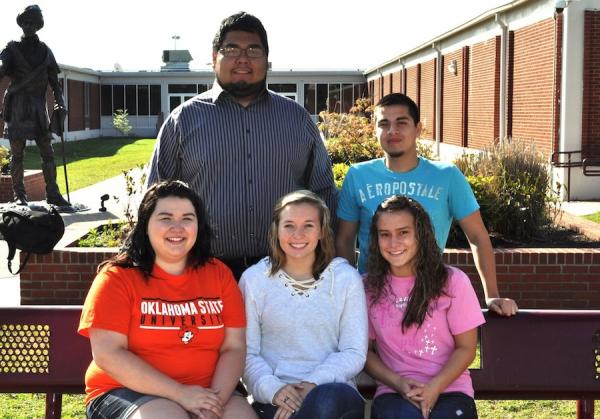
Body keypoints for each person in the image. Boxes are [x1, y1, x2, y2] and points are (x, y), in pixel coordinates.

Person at [146, 12, 338, 280]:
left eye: (253, 50)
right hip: (203, 272)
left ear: (267, 60)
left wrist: (324, 258)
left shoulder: (297, 119)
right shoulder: (183, 120)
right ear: (214, 57)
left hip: (285, 271)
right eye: (232, 49)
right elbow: (154, 200)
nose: (243, 58)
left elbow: (323, 192)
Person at [78, 180, 256, 419]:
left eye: (187, 218)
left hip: (209, 390)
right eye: (165, 218)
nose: (177, 227)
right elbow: (108, 354)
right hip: (125, 390)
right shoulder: (117, 277)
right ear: (146, 225)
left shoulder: (219, 274)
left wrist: (213, 402)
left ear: (198, 226)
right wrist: (181, 394)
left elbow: (233, 347)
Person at [336, 92, 517, 316]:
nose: (392, 131)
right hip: (371, 301)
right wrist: (350, 291)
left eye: (401, 122)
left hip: (426, 299)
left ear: (418, 129)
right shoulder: (357, 175)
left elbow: (478, 236)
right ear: (375, 130)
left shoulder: (447, 176)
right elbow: (344, 239)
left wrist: (491, 294)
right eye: (384, 124)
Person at [239, 190, 367, 419]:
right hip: (276, 395)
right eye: (289, 225)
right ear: (276, 230)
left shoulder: (345, 278)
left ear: (321, 232)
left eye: (308, 225)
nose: (298, 234)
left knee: (322, 403)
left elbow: (354, 351)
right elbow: (247, 353)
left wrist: (312, 383)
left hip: (332, 391)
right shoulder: (254, 280)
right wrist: (274, 390)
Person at [365, 195, 484, 419]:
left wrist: (434, 387)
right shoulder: (368, 288)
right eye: (385, 235)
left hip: (450, 389)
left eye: (403, 232)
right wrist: (399, 383)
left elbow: (466, 348)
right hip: (394, 391)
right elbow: (365, 353)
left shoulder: (452, 281)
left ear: (421, 234)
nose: (393, 243)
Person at [0, 5, 70, 207]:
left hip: (39, 108)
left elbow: (55, 83)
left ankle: (53, 193)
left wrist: (60, 104)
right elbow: (2, 69)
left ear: (38, 26)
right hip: (18, 105)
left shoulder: (45, 51)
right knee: (17, 153)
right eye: (25, 22)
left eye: (33, 23)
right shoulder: (11, 49)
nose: (29, 26)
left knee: (47, 151)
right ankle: (19, 196)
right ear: (21, 23)